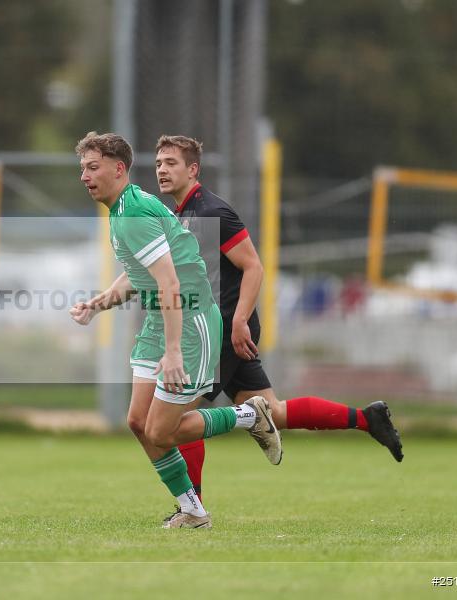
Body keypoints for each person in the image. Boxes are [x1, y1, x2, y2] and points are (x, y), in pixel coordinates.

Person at [152, 134, 403, 507]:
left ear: (193, 169)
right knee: (276, 411)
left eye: (171, 162)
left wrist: (238, 322)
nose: (162, 170)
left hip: (223, 330)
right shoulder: (183, 214)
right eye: (158, 163)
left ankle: (192, 506)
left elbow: (253, 266)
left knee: (176, 419)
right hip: (221, 329)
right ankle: (368, 418)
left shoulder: (212, 212)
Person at [69, 132, 282, 529]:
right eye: (82, 168)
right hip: (160, 319)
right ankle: (193, 512)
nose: (84, 176)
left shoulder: (132, 214)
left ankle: (249, 416)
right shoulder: (124, 210)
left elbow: (170, 284)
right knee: (138, 422)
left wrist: (173, 352)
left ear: (119, 169)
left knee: (161, 431)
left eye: (92, 167)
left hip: (190, 321)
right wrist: (97, 305)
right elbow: (139, 276)